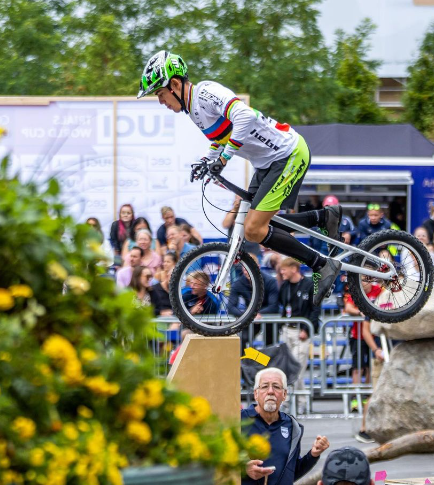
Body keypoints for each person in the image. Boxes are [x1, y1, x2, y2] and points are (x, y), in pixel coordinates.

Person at [137, 50, 342, 306]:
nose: (161, 102)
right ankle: (324, 217)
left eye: (160, 94)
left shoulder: (205, 92)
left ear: (175, 85)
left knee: (254, 229)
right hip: (267, 162)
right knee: (254, 225)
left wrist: (225, 159)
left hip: (287, 154)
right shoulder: (193, 110)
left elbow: (245, 116)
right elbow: (219, 139)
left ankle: (322, 265)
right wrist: (207, 160)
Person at [242, 368, 329, 484]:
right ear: (256, 394)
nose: (270, 391)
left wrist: (313, 454)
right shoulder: (239, 420)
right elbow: (219, 461)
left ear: (284, 394)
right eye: (264, 386)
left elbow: (291, 473)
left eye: (276, 387)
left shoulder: (293, 427)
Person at [278, 258, 321, 415]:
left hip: (302, 332)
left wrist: (307, 330)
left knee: (296, 369)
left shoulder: (310, 285)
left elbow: (315, 310)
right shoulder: (285, 286)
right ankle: (295, 401)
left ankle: (295, 402)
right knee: (288, 368)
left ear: (294, 268)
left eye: (284, 269)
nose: (281, 272)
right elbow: (283, 307)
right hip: (287, 331)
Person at [228, 253, 280, 346]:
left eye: (250, 268)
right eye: (245, 268)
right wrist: (248, 315)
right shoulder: (238, 283)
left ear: (258, 267)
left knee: (271, 344)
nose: (247, 272)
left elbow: (274, 306)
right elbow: (231, 307)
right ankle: (254, 358)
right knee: (243, 340)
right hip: (250, 316)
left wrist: (257, 314)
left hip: (268, 317)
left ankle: (265, 360)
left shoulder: (270, 281)